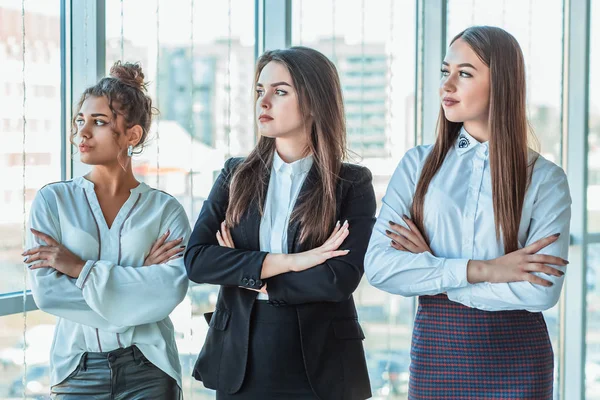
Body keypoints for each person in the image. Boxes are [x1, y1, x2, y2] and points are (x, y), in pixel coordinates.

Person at [365, 26, 571, 399]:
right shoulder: (416, 166)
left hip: (519, 359)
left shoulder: (545, 179)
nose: (447, 85)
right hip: (437, 354)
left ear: (503, 82)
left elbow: (540, 292)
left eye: (465, 73)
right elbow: (380, 268)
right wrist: (486, 270)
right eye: (446, 72)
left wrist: (434, 270)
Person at [185, 46, 375, 400]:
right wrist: (295, 262)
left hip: (322, 364)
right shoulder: (234, 174)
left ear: (315, 101)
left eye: (280, 91)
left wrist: (256, 278)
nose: (263, 102)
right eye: (260, 91)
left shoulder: (351, 182)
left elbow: (339, 278)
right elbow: (197, 260)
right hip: (242, 357)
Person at [23, 61, 190, 399]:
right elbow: (49, 294)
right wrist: (138, 278)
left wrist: (78, 268)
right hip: (77, 370)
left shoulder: (165, 210)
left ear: (132, 134)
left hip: (151, 367)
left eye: (99, 122)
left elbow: (167, 293)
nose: (82, 133)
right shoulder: (53, 201)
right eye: (79, 121)